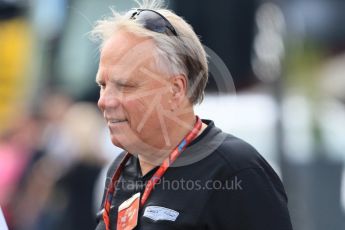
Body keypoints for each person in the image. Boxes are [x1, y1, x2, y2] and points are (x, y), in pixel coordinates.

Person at [91, 0, 293, 229]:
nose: (104, 101)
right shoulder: (120, 169)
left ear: (176, 90)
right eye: (103, 85)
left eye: (125, 86)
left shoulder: (237, 171)